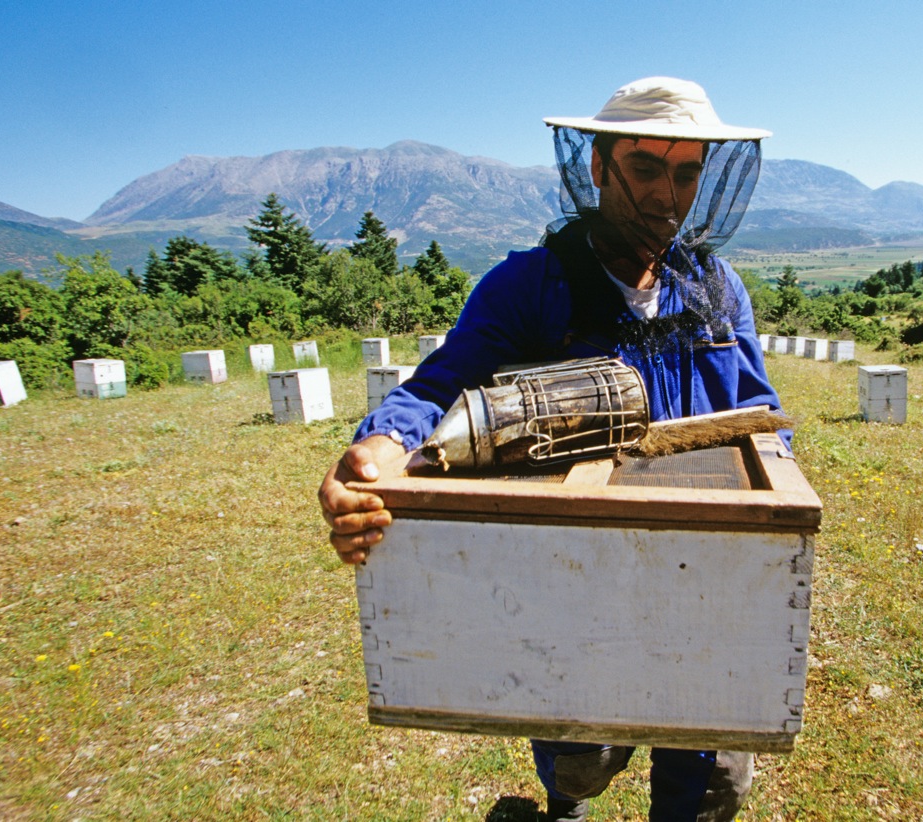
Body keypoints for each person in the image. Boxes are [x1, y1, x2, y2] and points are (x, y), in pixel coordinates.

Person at [320, 76, 783, 822]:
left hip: (707, 572)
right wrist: (378, 447)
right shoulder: (529, 287)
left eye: (687, 171)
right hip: (580, 573)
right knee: (582, 759)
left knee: (711, 778)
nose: (667, 194)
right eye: (644, 167)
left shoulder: (716, 288)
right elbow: (441, 383)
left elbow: (760, 413)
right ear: (597, 166)